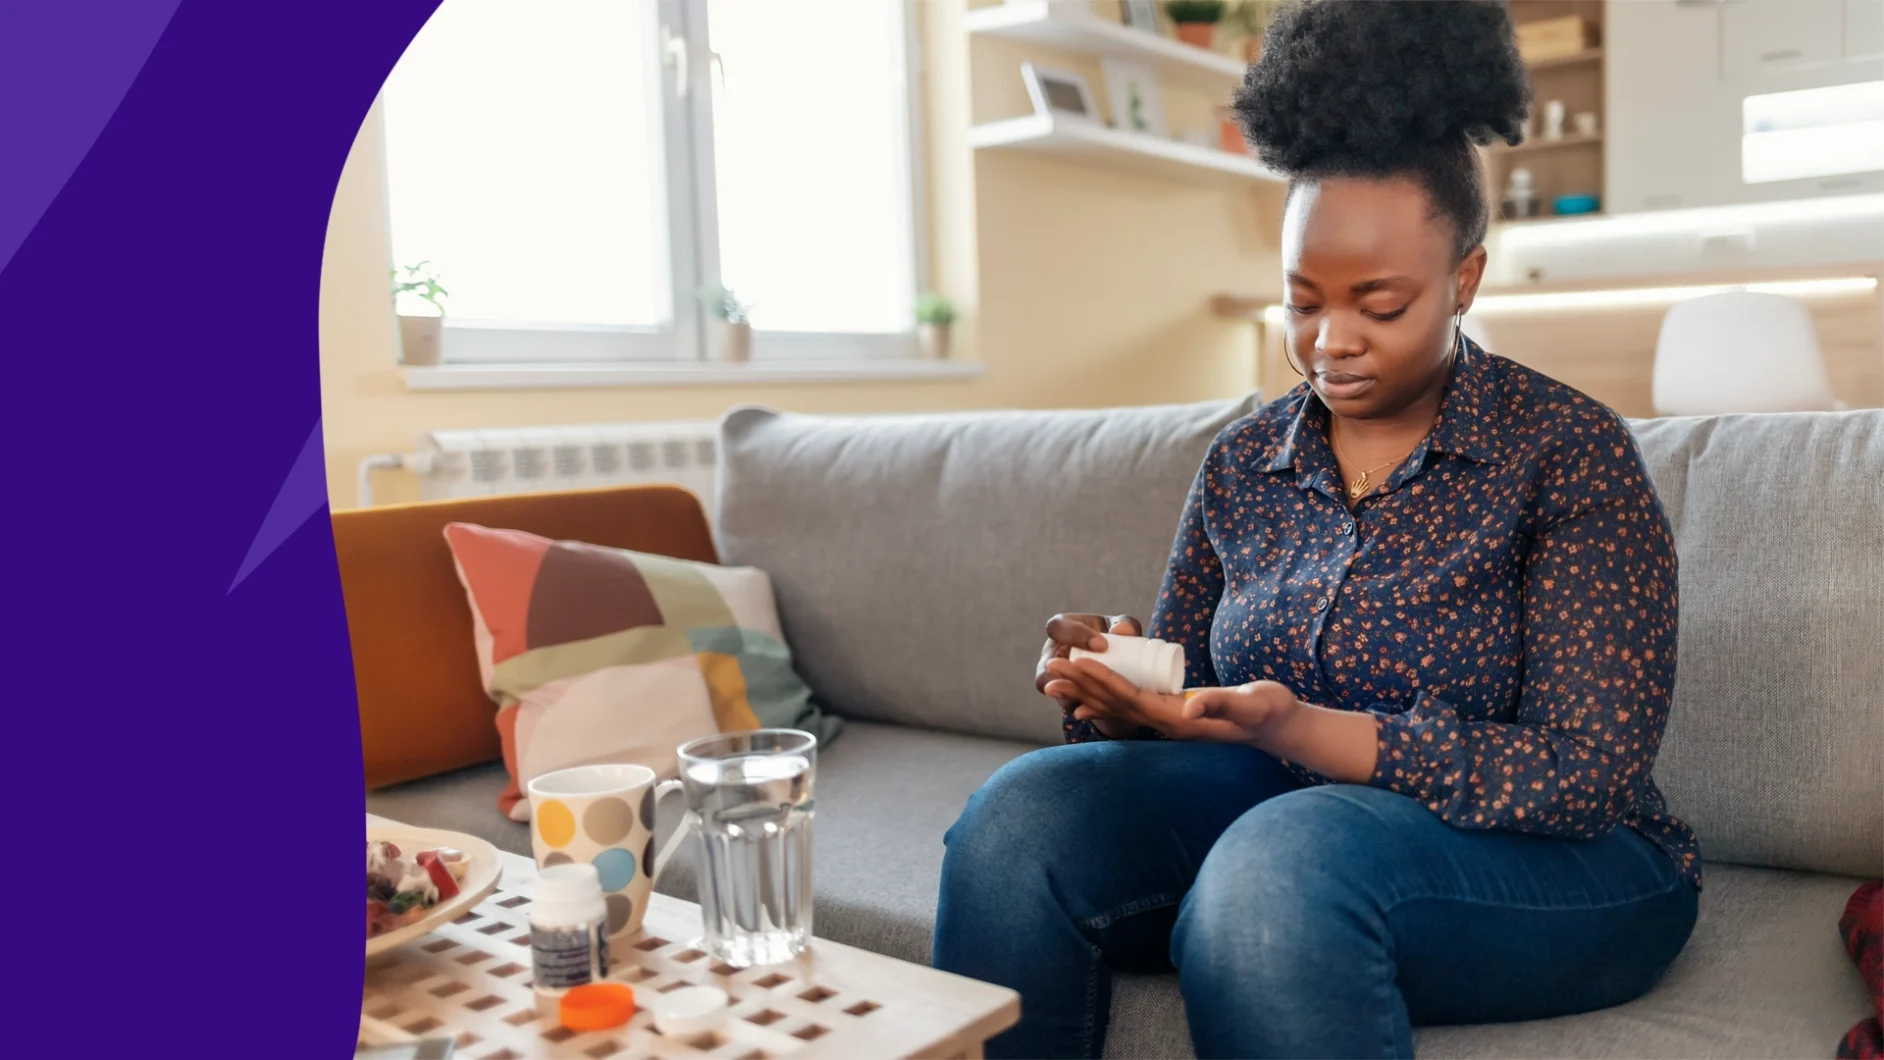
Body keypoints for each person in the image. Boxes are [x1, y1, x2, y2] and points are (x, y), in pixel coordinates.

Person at [930, 3, 1700, 1057]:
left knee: (1279, 866)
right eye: (1303, 302)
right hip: (1282, 814)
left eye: (1379, 305)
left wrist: (1304, 729)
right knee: (1020, 821)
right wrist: (1126, 682)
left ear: (1464, 280)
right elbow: (1200, 696)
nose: (1331, 342)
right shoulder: (1244, 462)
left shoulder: (1565, 452)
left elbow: (1587, 772)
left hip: (1565, 860)